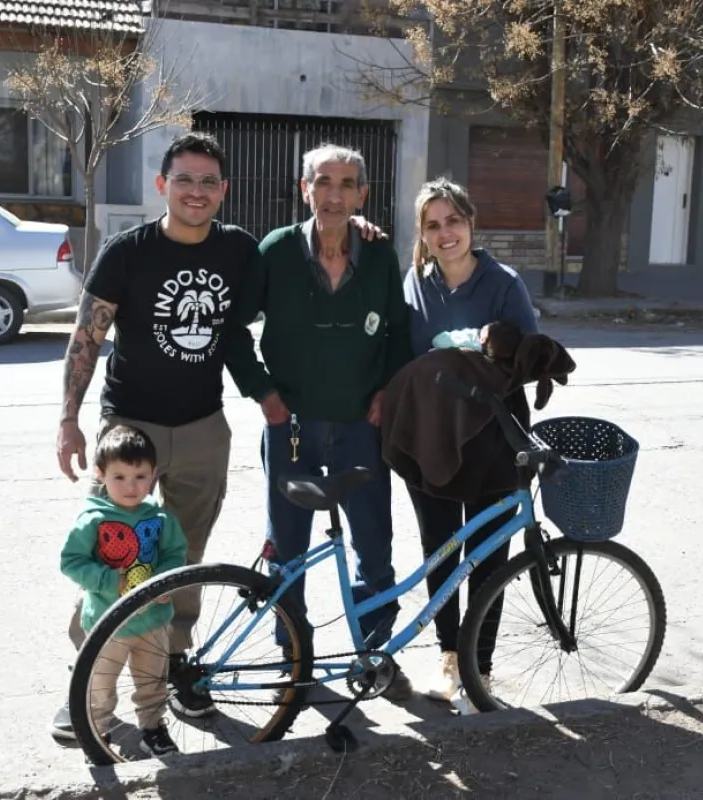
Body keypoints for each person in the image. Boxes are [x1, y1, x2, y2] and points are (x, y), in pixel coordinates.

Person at [51, 131, 386, 740]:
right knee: (117, 552)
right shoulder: (127, 252)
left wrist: (356, 226)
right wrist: (69, 419)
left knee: (180, 558)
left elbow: (296, 266)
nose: (196, 192)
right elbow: (86, 337)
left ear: (224, 191)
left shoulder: (237, 250)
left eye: (208, 182)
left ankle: (173, 671)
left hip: (203, 426)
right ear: (163, 186)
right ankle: (89, 675)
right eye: (185, 180)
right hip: (132, 426)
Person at [232, 143, 415, 700]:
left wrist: (386, 389)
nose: (334, 194)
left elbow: (398, 336)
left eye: (347, 184)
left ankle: (375, 651)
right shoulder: (276, 252)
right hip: (291, 428)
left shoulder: (380, 255)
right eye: (324, 182)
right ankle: (293, 654)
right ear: (304, 189)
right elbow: (234, 330)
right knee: (287, 546)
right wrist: (263, 393)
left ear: (362, 194)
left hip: (361, 425)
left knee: (373, 542)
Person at [401, 177, 539, 704]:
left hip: (493, 440)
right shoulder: (414, 282)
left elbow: (528, 359)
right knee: (440, 551)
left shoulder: (504, 283)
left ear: (470, 221)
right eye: (433, 225)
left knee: (488, 556)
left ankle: (480, 665)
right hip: (431, 440)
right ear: (423, 233)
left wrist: (485, 357)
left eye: (452, 220)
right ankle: (448, 659)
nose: (445, 232)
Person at [59, 424, 187, 757]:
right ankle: (96, 730)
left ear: (153, 474)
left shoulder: (161, 518)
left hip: (154, 620)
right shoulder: (93, 519)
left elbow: (176, 555)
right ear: (100, 474)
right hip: (106, 623)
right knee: (100, 684)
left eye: (140, 476)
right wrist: (106, 579)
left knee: (153, 682)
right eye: (120, 477)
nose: (131, 487)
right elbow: (71, 562)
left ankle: (153, 727)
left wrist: (164, 581)